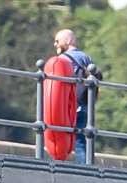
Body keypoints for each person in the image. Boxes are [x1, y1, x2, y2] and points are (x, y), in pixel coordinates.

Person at [52, 29, 97, 163]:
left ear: (68, 41)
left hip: (67, 108)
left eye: (57, 41)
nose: (55, 44)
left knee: (59, 138)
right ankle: (87, 171)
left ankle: (59, 168)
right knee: (81, 142)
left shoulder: (61, 59)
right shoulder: (87, 58)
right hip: (84, 107)